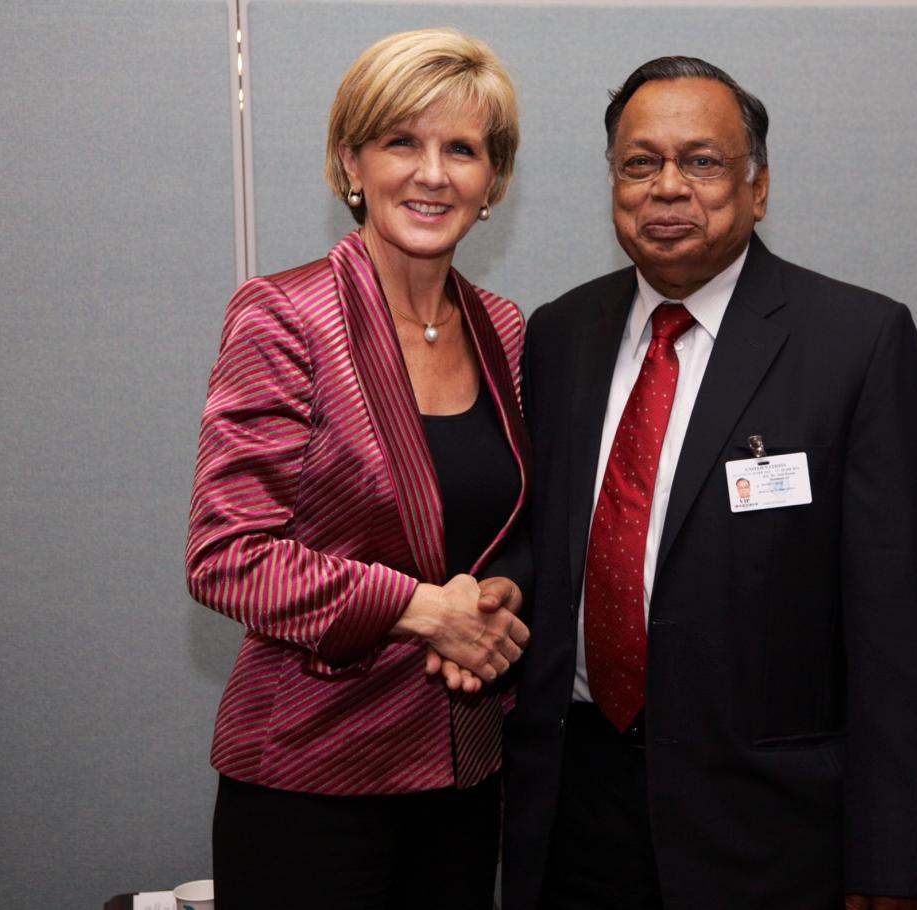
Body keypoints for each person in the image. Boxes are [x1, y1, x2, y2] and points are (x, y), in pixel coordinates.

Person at [503, 57, 917, 909]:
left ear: (758, 187)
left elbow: (904, 639)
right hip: (576, 808)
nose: (668, 187)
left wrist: (900, 865)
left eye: (702, 161)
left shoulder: (857, 344)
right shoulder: (560, 336)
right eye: (640, 163)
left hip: (769, 832)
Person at [185, 28, 530, 910]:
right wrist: (424, 612)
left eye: (463, 149)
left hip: (463, 771)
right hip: (311, 775)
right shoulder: (283, 318)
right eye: (401, 142)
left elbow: (512, 531)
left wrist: (493, 607)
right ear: (351, 162)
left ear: (492, 180)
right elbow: (228, 554)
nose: (432, 173)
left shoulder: (507, 332)